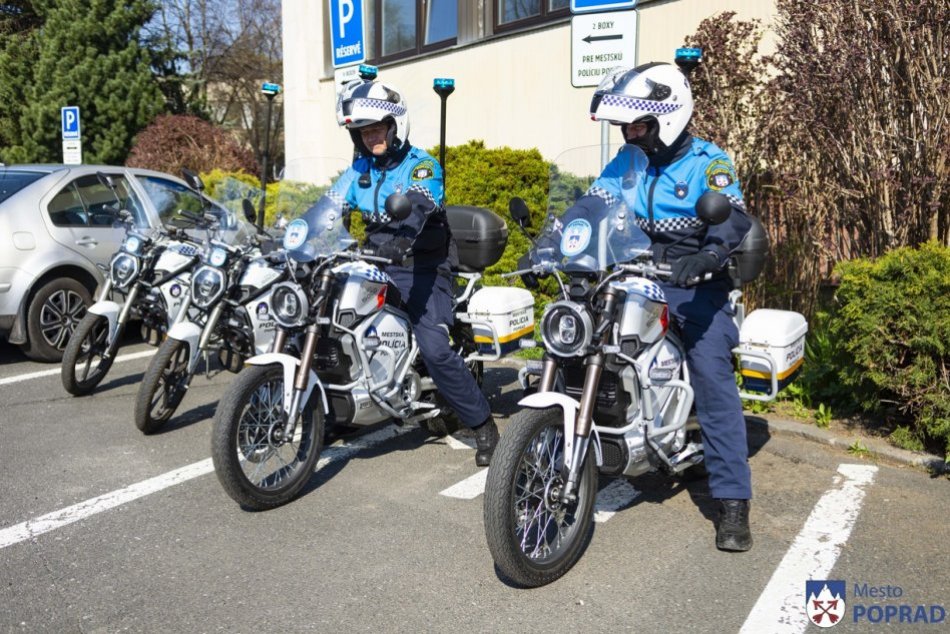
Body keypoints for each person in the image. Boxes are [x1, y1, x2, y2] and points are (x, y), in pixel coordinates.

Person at [560, 63, 754, 551]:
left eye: (638, 125)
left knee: (710, 370)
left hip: (696, 283)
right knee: (580, 335)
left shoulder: (709, 162)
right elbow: (592, 203)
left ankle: (732, 500)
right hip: (635, 275)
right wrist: (555, 238)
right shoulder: (628, 161)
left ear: (667, 117)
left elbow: (731, 218)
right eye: (626, 126)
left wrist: (709, 254)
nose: (630, 134)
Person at [305, 78, 499, 466]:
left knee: (435, 347)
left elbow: (418, 204)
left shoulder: (422, 167)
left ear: (395, 127)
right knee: (325, 321)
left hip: (423, 265)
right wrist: (300, 231)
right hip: (376, 259)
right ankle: (330, 409)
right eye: (363, 132)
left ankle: (483, 426)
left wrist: (401, 241)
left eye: (377, 129)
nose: (370, 137)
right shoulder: (360, 169)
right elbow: (329, 205)